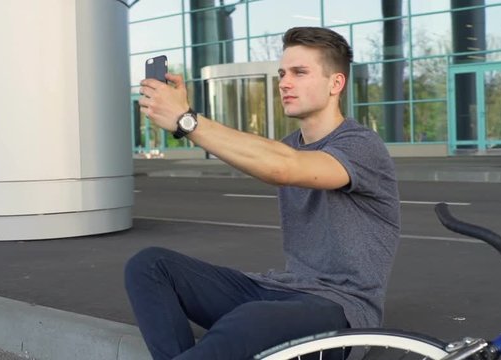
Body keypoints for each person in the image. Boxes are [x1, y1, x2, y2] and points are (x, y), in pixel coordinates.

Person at [125, 26, 400, 360]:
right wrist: (182, 121)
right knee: (150, 265)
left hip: (341, 309)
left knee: (251, 320)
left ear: (336, 84)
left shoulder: (362, 145)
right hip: (282, 289)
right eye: (283, 73)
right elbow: (269, 157)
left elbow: (284, 167)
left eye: (300, 73)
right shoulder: (286, 147)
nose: (284, 82)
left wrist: (187, 120)